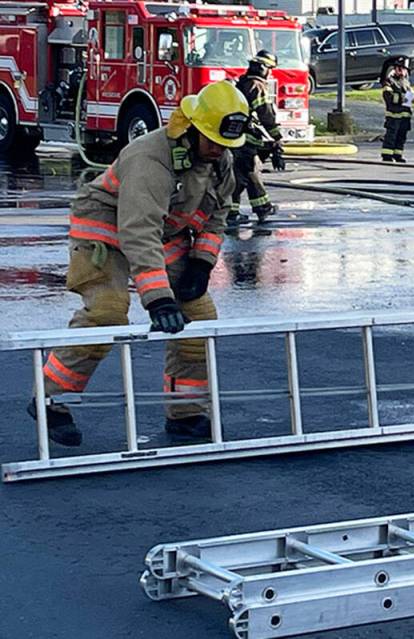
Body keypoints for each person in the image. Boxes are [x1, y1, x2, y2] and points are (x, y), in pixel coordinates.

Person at [28, 81, 247, 446]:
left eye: (227, 144)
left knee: (199, 318)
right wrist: (158, 298)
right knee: (107, 313)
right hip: (106, 232)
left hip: (161, 233)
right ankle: (51, 398)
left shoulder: (218, 158)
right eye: (213, 141)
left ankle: (186, 412)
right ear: (191, 129)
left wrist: (201, 263)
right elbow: (137, 232)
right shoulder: (151, 158)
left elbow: (217, 214)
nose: (221, 150)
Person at [230, 50, 284, 226]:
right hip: (245, 140)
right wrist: (277, 137)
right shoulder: (257, 86)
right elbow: (265, 114)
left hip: (236, 137)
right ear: (262, 68)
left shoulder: (243, 83)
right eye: (270, 68)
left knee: (238, 176)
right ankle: (262, 208)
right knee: (252, 171)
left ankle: (231, 212)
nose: (271, 73)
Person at [381, 56, 414, 162]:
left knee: (401, 136)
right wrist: (403, 98)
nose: (400, 71)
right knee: (391, 135)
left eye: (402, 69)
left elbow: (411, 96)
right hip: (393, 114)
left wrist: (412, 98)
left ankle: (398, 154)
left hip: (405, 115)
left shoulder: (406, 82)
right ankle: (387, 155)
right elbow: (388, 96)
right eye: (398, 68)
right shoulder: (389, 81)